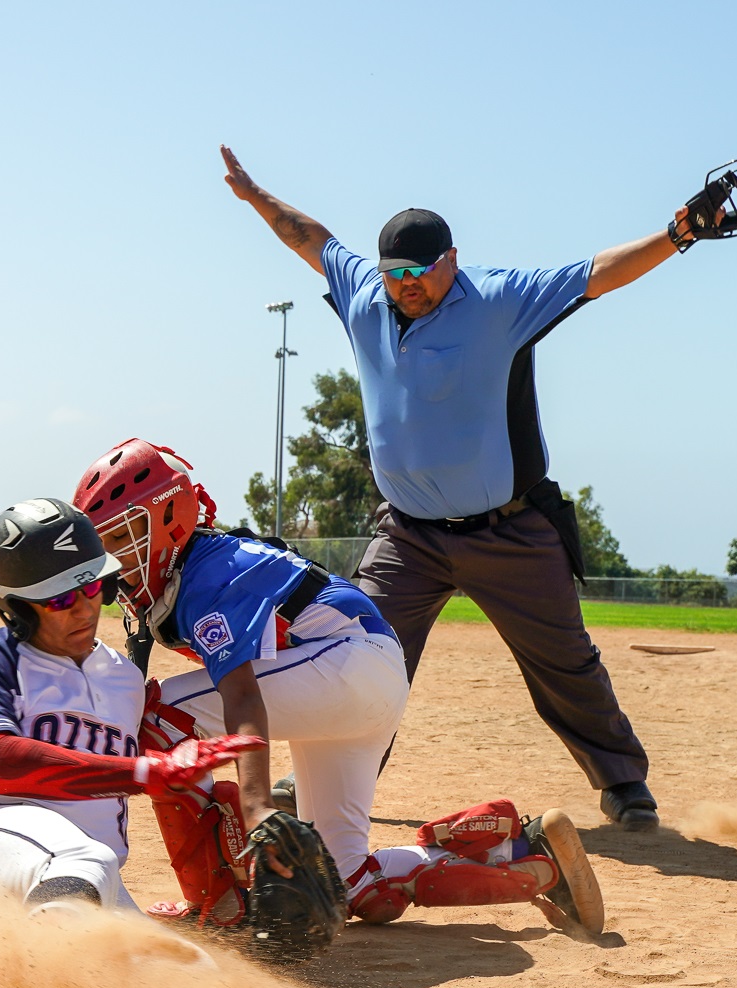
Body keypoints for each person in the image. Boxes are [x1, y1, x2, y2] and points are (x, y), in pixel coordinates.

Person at [219, 144, 699, 832]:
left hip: (509, 530)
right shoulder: (365, 294)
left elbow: (596, 274)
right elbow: (310, 237)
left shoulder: (500, 300)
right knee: (358, 652)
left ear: (451, 258)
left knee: (564, 661)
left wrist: (678, 234)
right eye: (394, 273)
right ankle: (326, 779)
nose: (406, 283)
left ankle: (622, 780)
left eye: (420, 270)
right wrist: (256, 196)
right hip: (408, 533)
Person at [74, 439, 604, 932]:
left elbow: (241, 696)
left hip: (346, 664)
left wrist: (256, 804)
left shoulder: (212, 572)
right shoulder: (176, 577)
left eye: (124, 536)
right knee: (349, 881)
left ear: (170, 517)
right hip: (355, 677)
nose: (114, 556)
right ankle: (519, 853)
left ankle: (220, 902)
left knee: (162, 721)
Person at [0, 497, 257, 917]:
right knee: (86, 860)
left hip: (85, 881)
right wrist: (145, 772)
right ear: (14, 606)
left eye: (92, 587)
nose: (84, 609)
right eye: (60, 599)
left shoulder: (125, 679)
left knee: (181, 969)